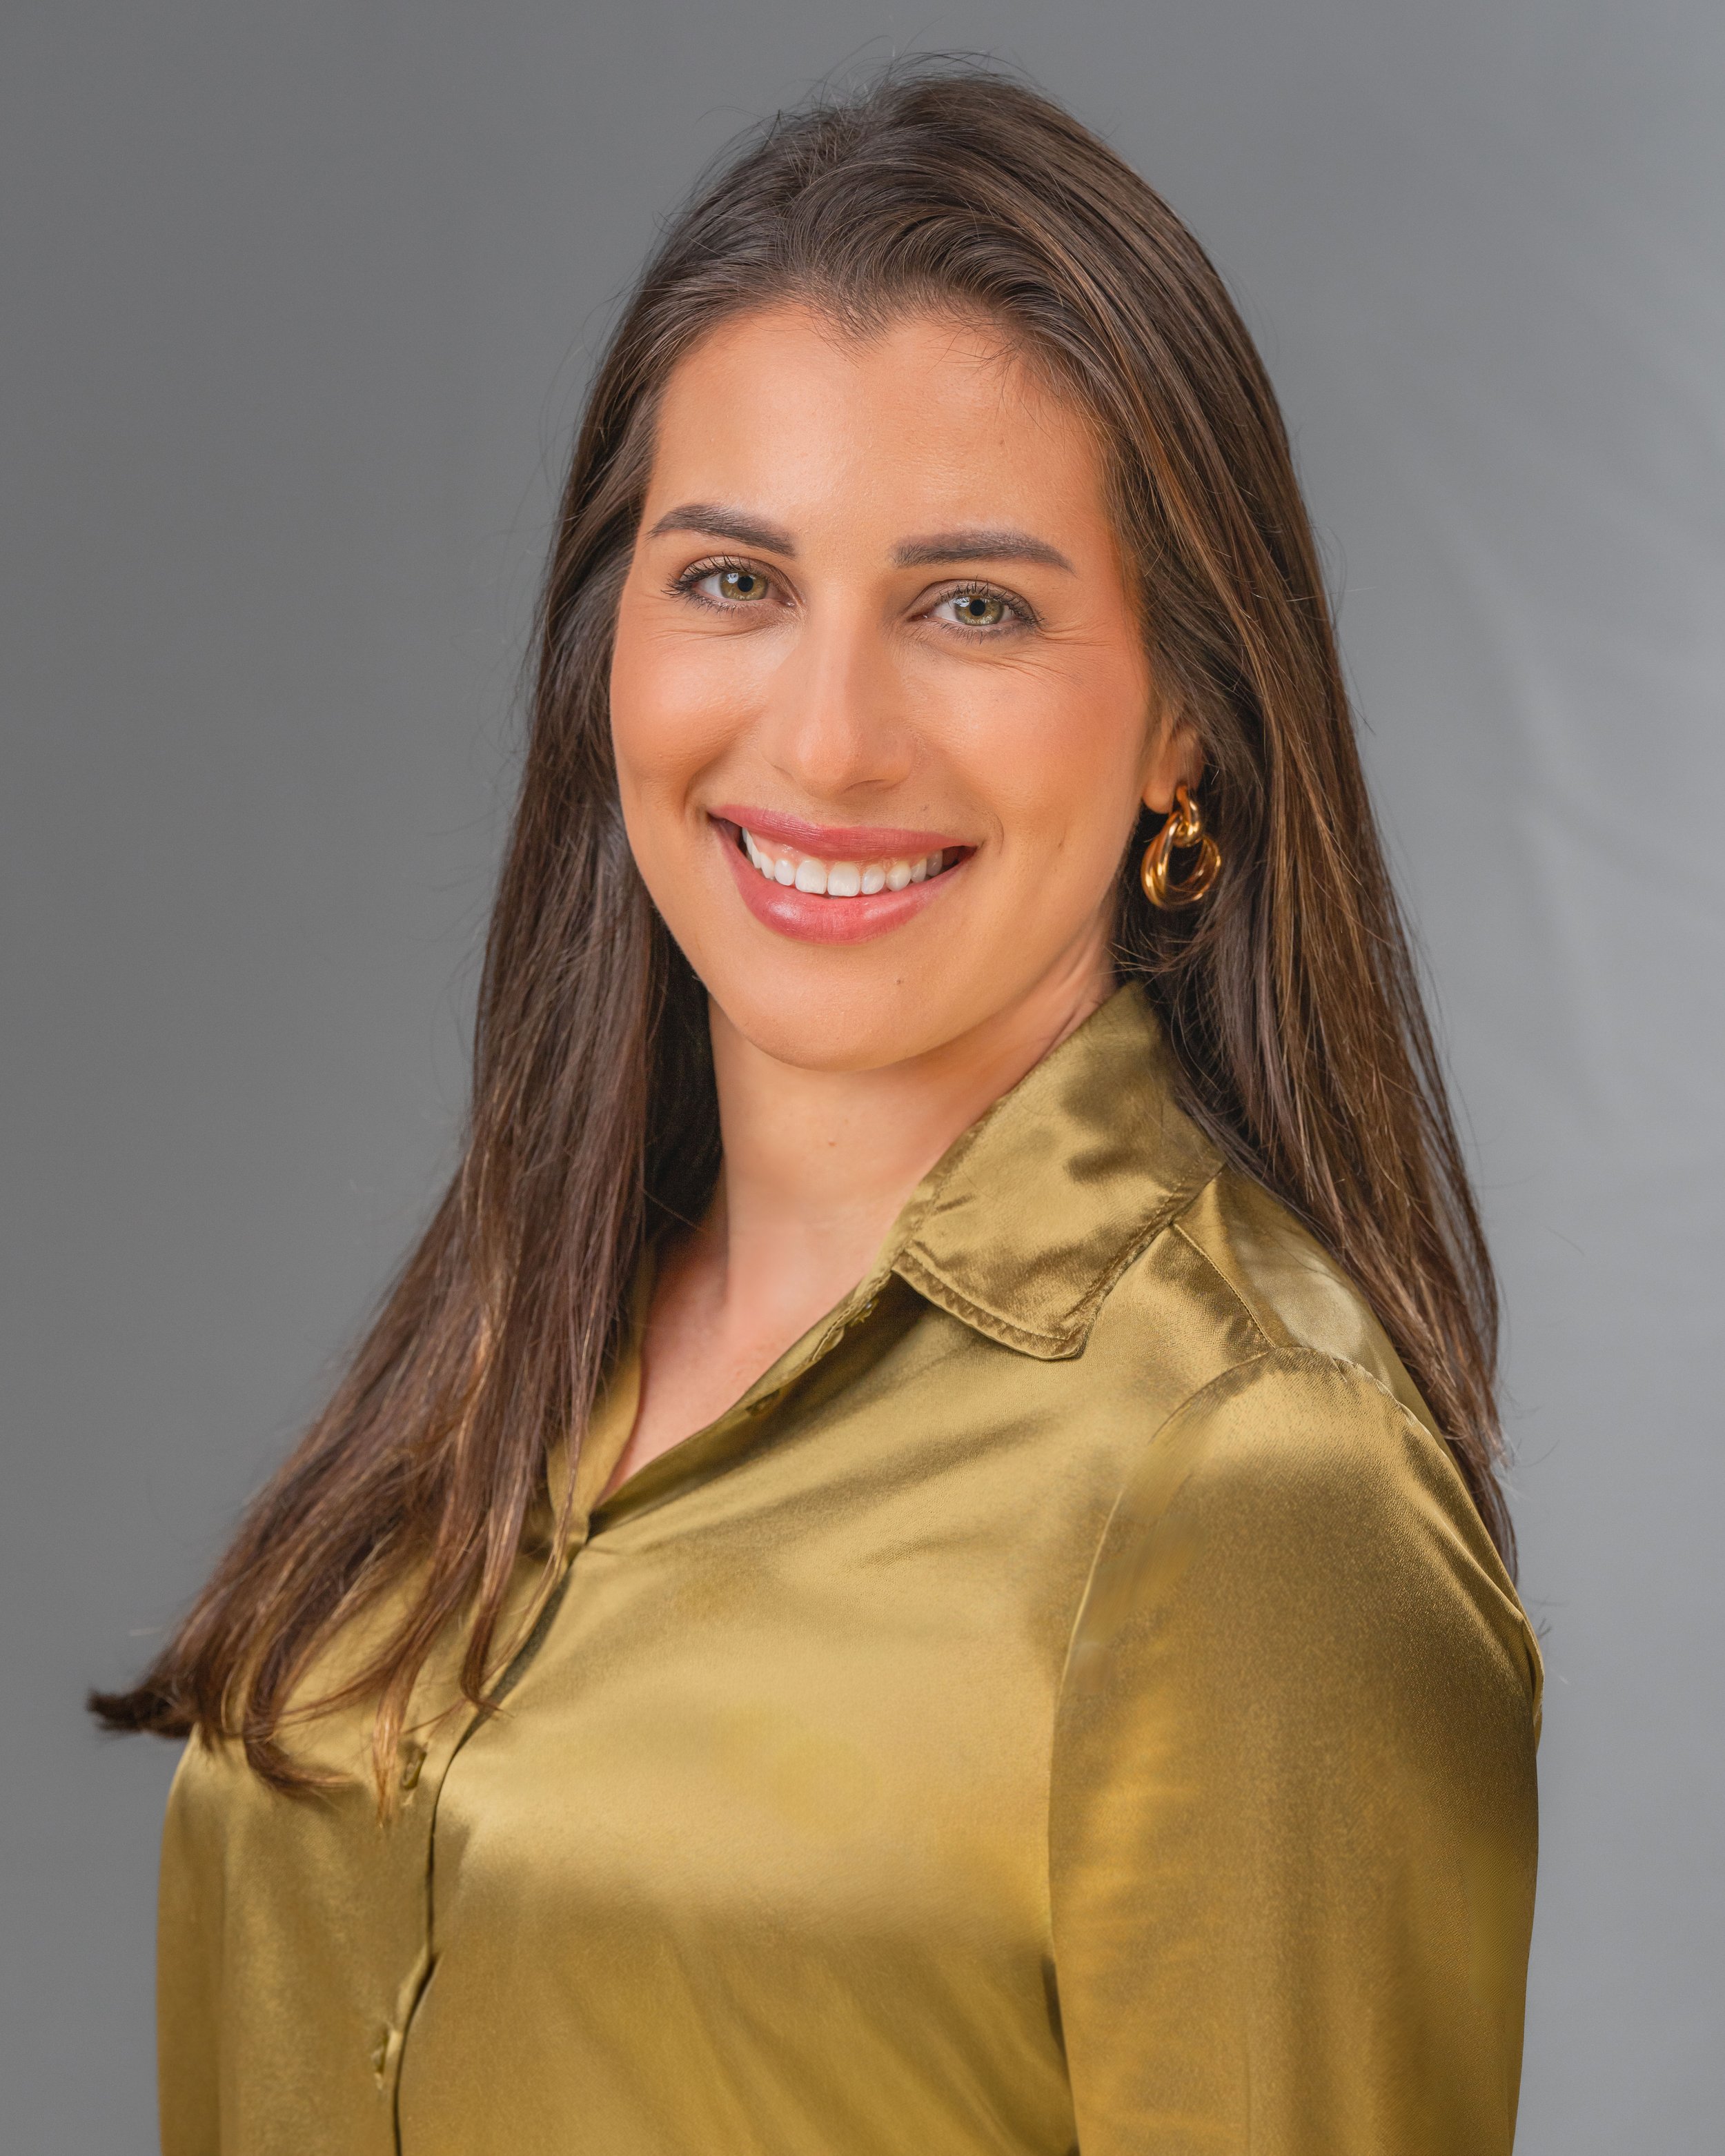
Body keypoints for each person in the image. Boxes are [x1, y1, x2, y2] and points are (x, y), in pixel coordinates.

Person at [95, 63, 1541, 2156]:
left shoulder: (1251, 1493)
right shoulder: (507, 1354)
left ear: (1184, 728)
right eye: (733, 582)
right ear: (611, 644)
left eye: (974, 607)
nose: (830, 737)